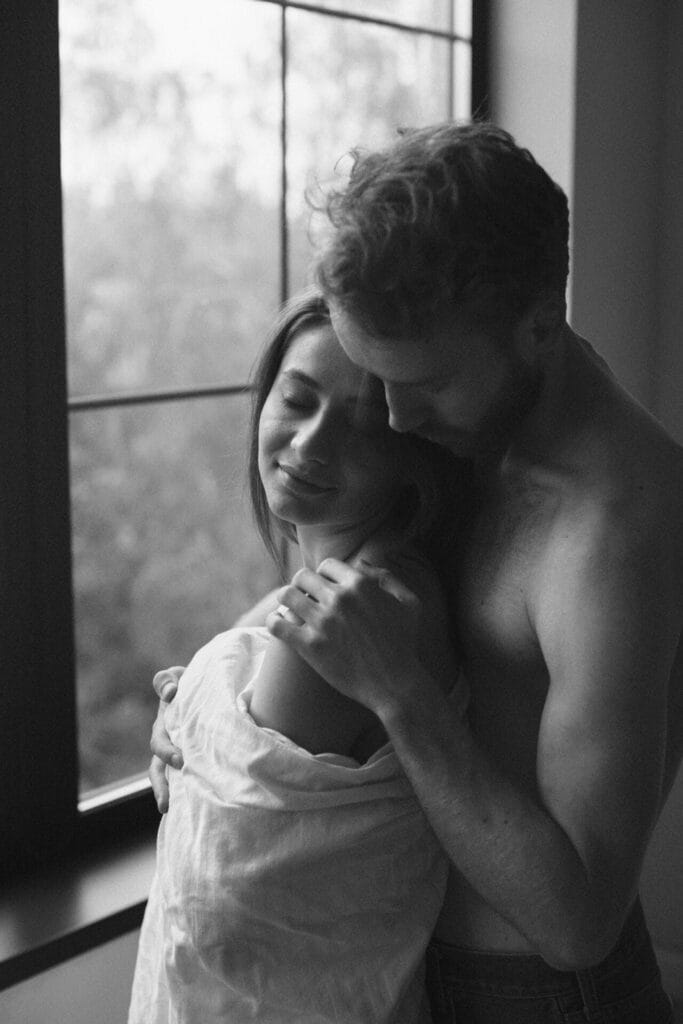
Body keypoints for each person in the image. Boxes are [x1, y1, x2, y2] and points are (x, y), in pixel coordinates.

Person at [150, 123, 683, 1022]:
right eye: (373, 377)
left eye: (422, 383)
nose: (394, 416)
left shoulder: (612, 534)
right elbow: (347, 580)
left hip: (542, 999)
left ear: (536, 330)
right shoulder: (479, 414)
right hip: (418, 968)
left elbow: (577, 919)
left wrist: (403, 697)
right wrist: (207, 694)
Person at [131, 290, 468, 1024]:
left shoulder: (353, 623)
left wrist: (192, 710)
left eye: (359, 425)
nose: (310, 443)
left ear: (413, 454)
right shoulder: (373, 583)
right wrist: (189, 696)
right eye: (297, 398)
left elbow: (220, 895)